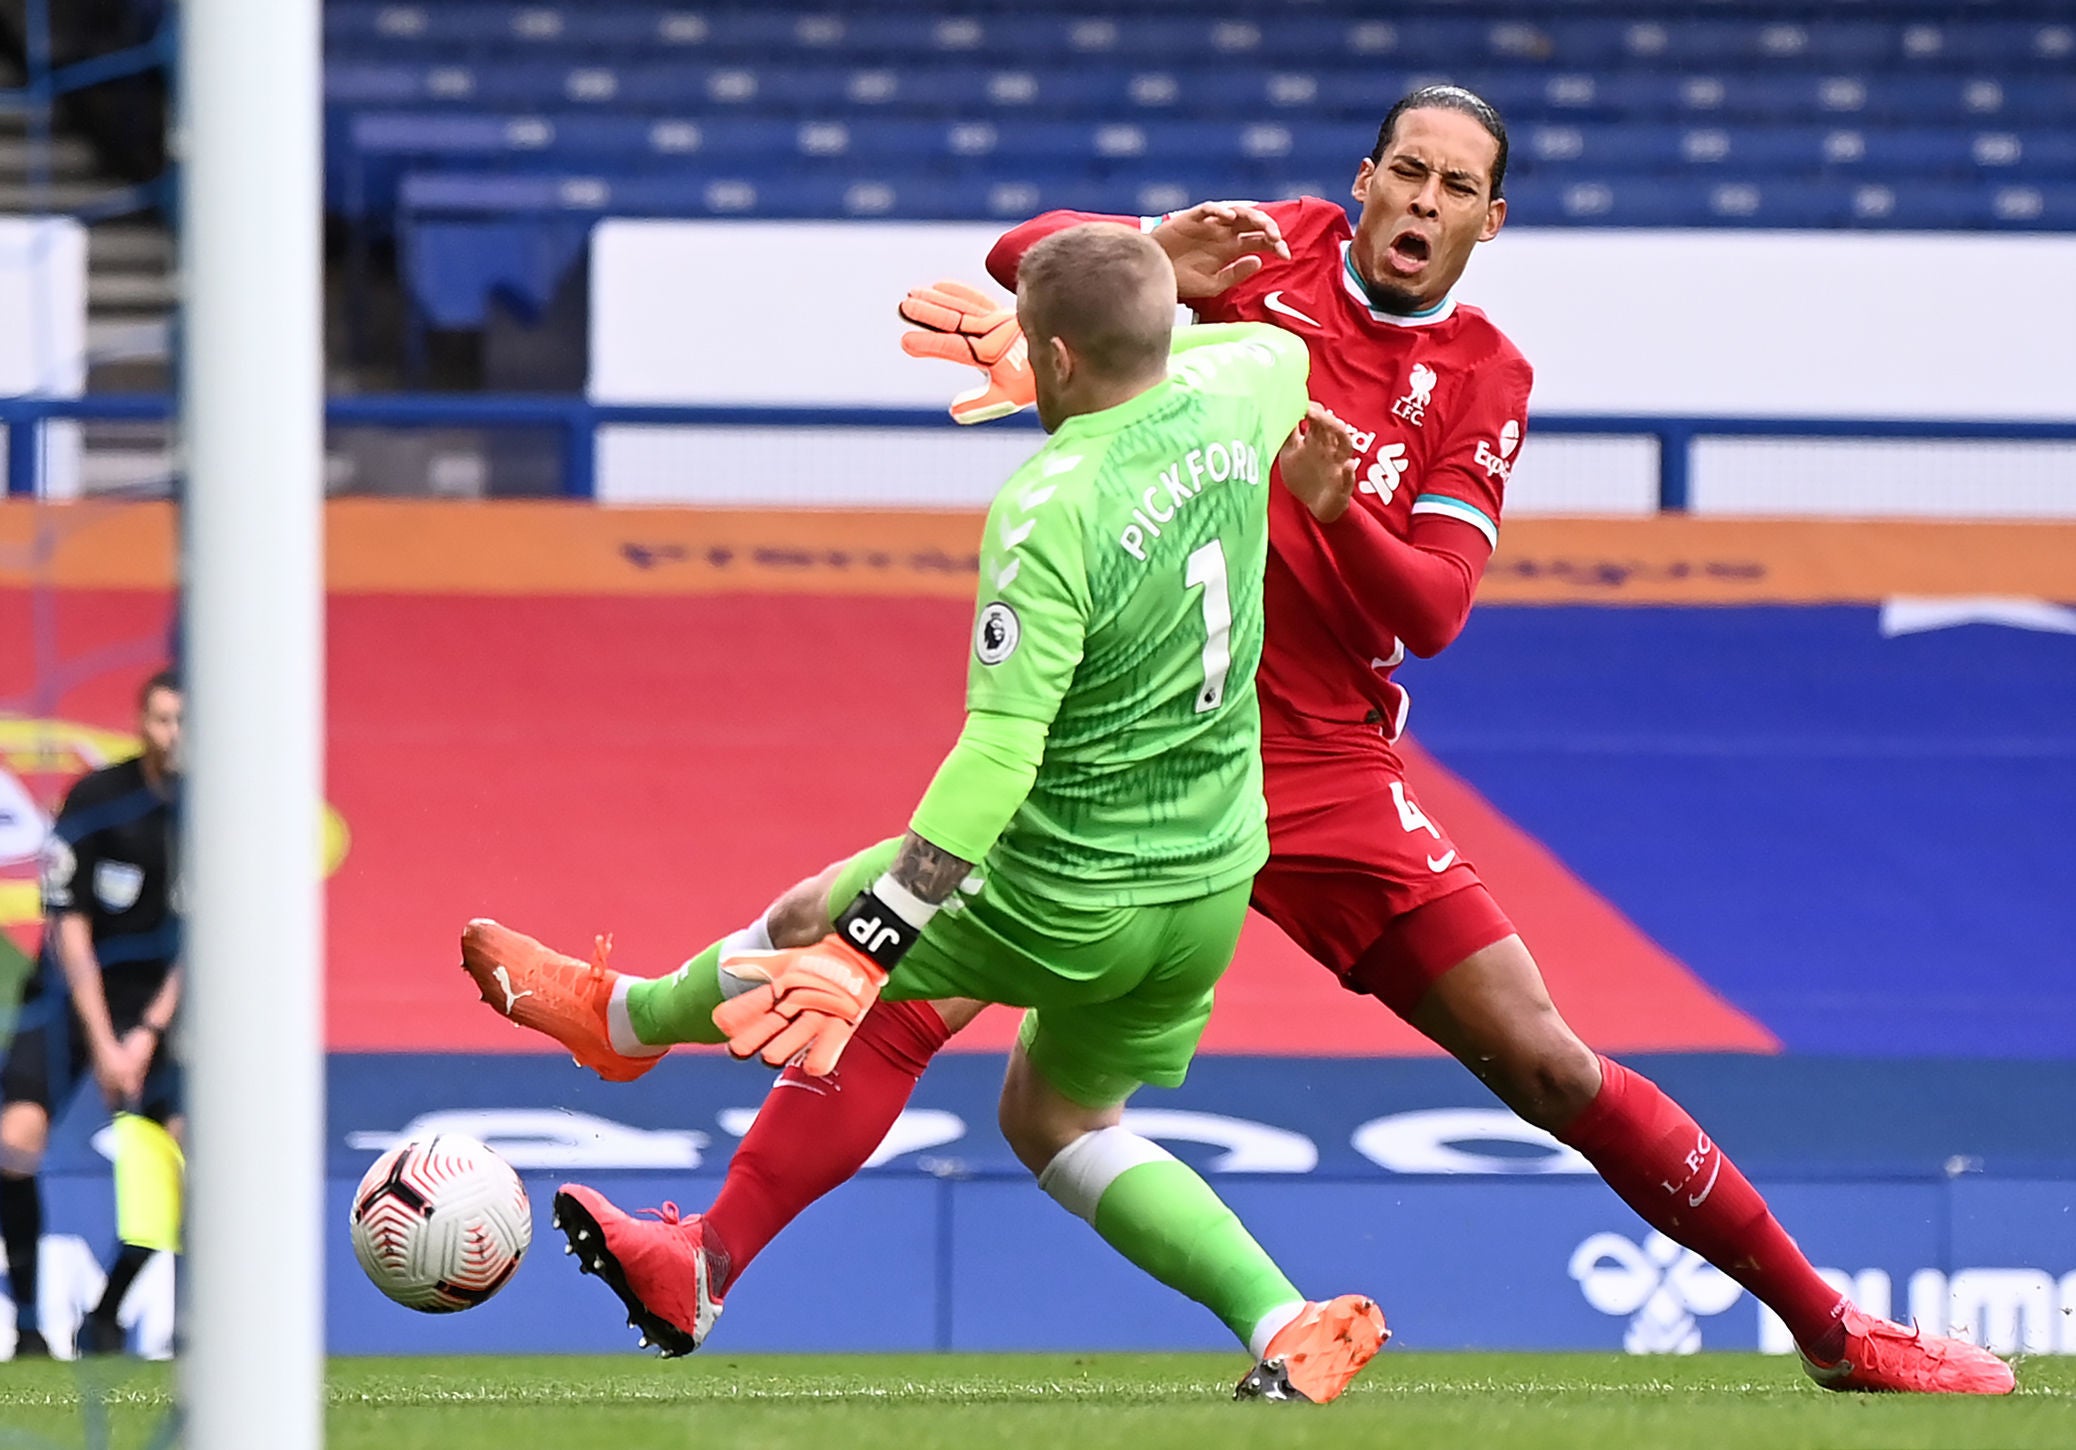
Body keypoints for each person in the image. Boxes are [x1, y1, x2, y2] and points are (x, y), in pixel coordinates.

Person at [496, 86, 2012, 1396]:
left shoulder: (1481, 374)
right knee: (900, 987)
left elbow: (1433, 611)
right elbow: (1034, 262)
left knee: (1543, 1060)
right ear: (1360, 181)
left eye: (1456, 187)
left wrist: (1343, 513)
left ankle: (1828, 1324)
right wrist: (1159, 244)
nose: (1421, 200)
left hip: (1325, 765)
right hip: (1145, 745)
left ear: (1494, 220)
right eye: (1402, 171)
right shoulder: (1268, 255)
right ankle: (670, 1156)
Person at [465, 223, 1389, 1402]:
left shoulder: (1052, 503)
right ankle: (1282, 1319)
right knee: (1059, 1116)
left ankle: (625, 1022)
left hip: (1070, 884)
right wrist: (1134, 288)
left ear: (1049, 355)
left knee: (816, 925)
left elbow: (998, 757)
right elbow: (1252, 345)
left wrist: (871, 942)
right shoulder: (1250, 382)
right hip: (1211, 882)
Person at [1, 669, 184, 1359]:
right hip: (72, 992)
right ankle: (26, 1327)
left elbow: (201, 943)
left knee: (185, 1159)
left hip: (157, 1006)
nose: (175, 734)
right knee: (16, 1140)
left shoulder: (215, 814)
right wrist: (106, 1041)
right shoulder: (98, 799)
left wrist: (146, 1035)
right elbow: (67, 925)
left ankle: (107, 1312)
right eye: (163, 719)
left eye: (186, 721)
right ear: (141, 723)